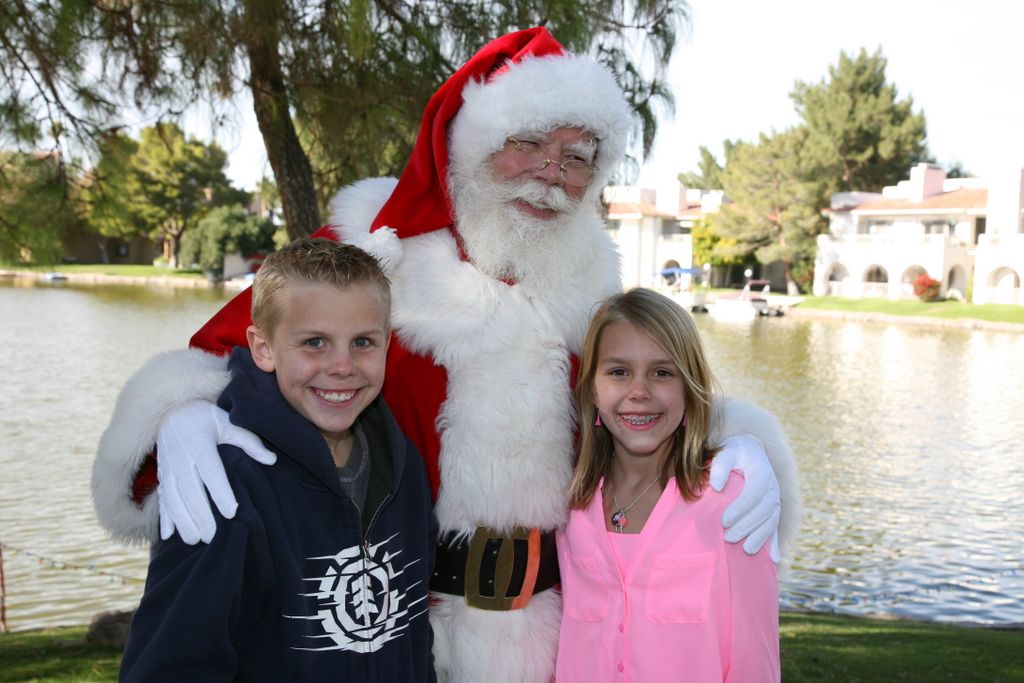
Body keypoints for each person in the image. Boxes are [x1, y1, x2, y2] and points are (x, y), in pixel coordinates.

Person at [93, 27, 801, 682]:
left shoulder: (593, 283)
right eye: (528, 143)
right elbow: (249, 342)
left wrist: (738, 440)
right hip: (396, 630)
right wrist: (183, 413)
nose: (550, 175)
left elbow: (642, 396)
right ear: (471, 141)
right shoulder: (372, 247)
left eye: (577, 158)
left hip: (558, 636)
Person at [117, 239, 437, 682]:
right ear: (263, 348)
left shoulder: (404, 466)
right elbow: (171, 664)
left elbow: (414, 634)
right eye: (315, 342)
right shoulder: (225, 484)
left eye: (363, 342)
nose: (342, 366)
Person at [556, 288, 779, 682]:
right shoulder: (568, 505)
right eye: (618, 371)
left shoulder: (730, 501)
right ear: (592, 386)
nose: (639, 392)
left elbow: (754, 659)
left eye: (662, 372)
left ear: (690, 389)